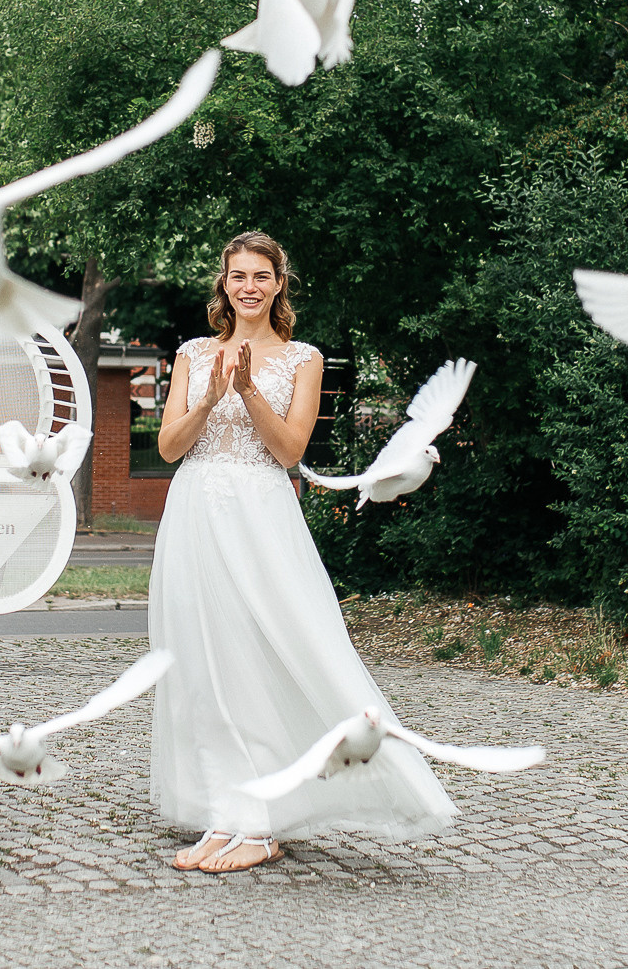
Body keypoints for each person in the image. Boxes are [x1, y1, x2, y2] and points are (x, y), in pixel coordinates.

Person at [150, 231, 456, 873]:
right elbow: (170, 447)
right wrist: (210, 395)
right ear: (224, 284)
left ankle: (262, 824)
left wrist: (250, 391)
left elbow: (289, 452)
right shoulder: (193, 354)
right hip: (196, 510)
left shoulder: (303, 358)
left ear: (279, 284)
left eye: (261, 276)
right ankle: (224, 813)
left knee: (262, 657)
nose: (249, 287)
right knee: (203, 662)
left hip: (261, 516)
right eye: (238, 276)